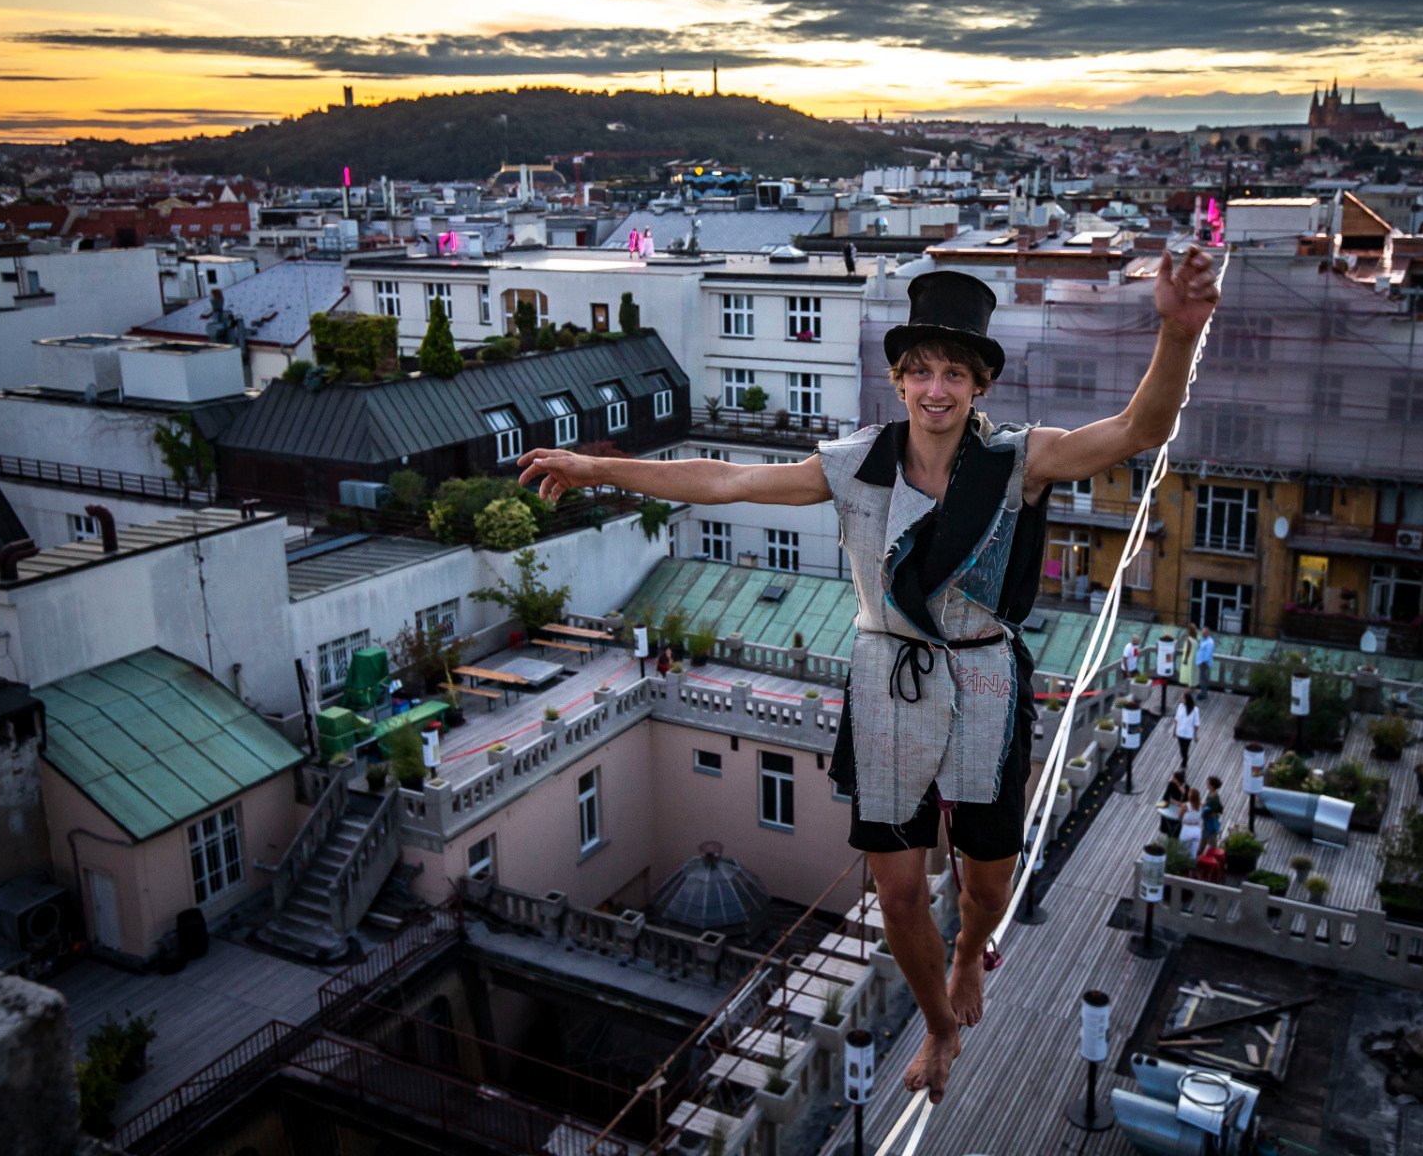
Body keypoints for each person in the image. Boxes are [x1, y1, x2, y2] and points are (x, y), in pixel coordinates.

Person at [518, 251, 1220, 1103]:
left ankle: (969, 951)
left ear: (978, 386)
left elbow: (1139, 429)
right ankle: (937, 1026)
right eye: (920, 370)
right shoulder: (853, 464)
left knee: (986, 884)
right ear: (896, 380)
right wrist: (600, 468)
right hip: (888, 676)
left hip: (985, 680)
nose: (936, 388)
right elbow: (725, 477)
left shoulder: (1019, 461)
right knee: (895, 894)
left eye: (953, 373)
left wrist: (1181, 332)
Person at [1174, 691, 1200, 775]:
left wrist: (1195, 735)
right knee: (1182, 749)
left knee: (1185, 749)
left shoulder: (1195, 710)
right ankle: (1184, 761)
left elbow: (1196, 724)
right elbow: (1177, 719)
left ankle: (1184, 765)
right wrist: (1174, 730)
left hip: (1188, 733)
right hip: (1180, 732)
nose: (1182, 699)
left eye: (1183, 698)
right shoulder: (1180, 707)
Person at [1160, 769, 1187, 838]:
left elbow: (1185, 802)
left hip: (1177, 811)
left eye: (1173, 778)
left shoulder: (1184, 789)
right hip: (1169, 808)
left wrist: (1182, 795)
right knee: (1168, 827)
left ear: (1177, 780)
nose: (1172, 779)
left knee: (1175, 830)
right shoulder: (1171, 784)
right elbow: (1166, 796)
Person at [1179, 787, 1205, 860]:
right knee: (1193, 854)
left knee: (1182, 852)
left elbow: (1179, 816)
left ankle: (1182, 870)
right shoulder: (1201, 805)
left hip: (1187, 829)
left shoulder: (1185, 806)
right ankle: (1192, 870)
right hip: (1197, 829)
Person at [1203, 776, 1224, 848]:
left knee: (1212, 844)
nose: (1206, 784)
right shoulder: (1210, 794)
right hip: (1206, 823)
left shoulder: (1214, 799)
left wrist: (1204, 810)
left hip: (1211, 824)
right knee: (1202, 842)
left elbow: (1213, 815)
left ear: (1212, 786)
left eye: (1208, 783)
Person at [1176, 623, 1198, 689]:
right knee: (1193, 672)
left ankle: (1189, 687)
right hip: (1194, 658)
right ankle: (1193, 686)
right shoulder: (1195, 640)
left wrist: (1185, 658)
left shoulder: (1189, 639)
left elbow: (1188, 649)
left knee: (1188, 672)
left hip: (1189, 658)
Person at [1195, 626, 1217, 691]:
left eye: (1204, 633)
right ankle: (1203, 692)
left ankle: (1203, 694)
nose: (1202, 634)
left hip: (1204, 664)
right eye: (1202, 632)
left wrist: (1204, 662)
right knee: (1202, 679)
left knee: (1204, 679)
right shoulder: (1203, 640)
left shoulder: (1209, 642)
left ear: (1208, 633)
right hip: (1201, 663)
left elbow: (1208, 653)